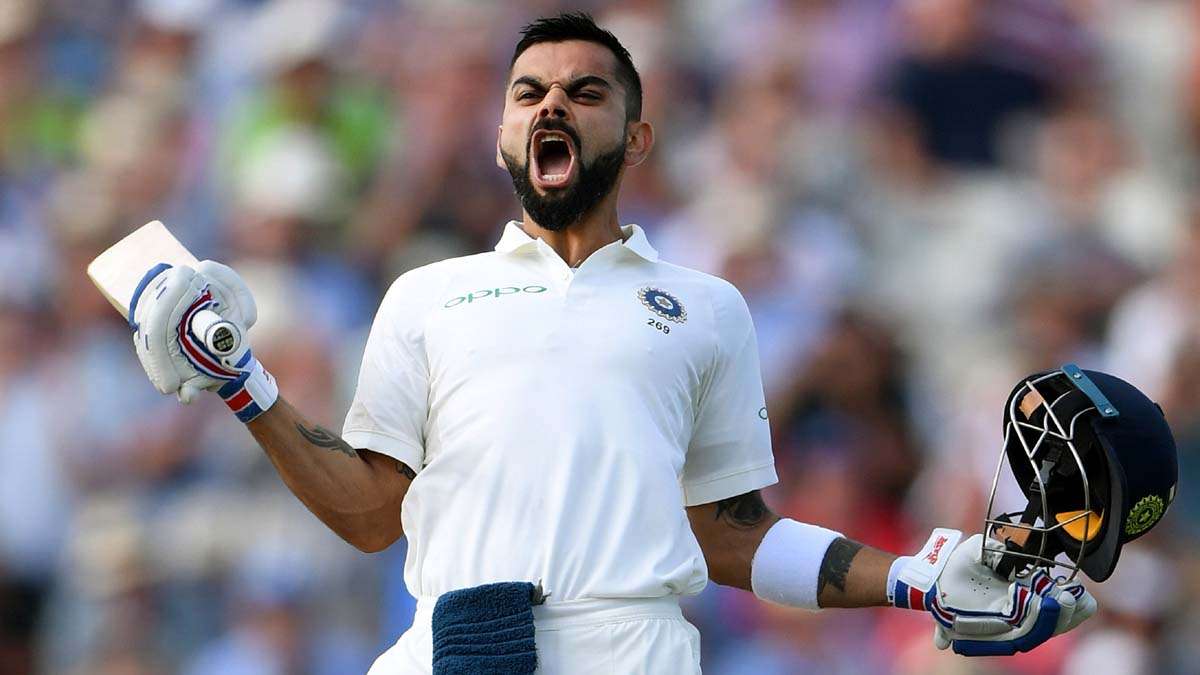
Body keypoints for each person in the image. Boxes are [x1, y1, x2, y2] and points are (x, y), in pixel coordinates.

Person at [125, 13, 1098, 673]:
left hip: (629, 651)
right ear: (502, 136)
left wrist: (914, 578)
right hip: (454, 648)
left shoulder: (707, 307)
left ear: (636, 139)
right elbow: (374, 514)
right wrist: (243, 385)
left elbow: (732, 536)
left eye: (585, 92)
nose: (551, 106)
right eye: (528, 93)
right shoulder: (426, 297)